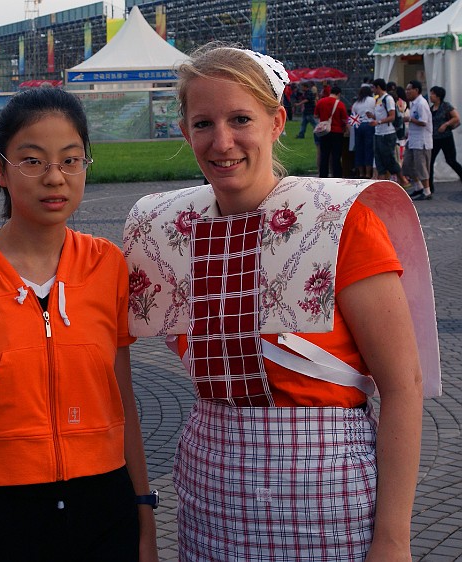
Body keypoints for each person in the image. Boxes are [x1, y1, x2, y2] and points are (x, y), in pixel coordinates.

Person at [123, 44, 437, 561]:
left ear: (276, 122)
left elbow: (403, 386)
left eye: (241, 118)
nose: (222, 141)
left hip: (329, 498)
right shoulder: (163, 230)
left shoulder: (342, 220)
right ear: (184, 132)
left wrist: (393, 539)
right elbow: (73, 280)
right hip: (210, 495)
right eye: (203, 123)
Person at [0, 88, 158, 562]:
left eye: (71, 160)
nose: (54, 178)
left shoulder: (106, 263)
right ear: (0, 170)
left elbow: (123, 398)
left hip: (106, 506)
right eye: (32, 161)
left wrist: (145, 517)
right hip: (8, 512)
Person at [402, 80, 433, 201]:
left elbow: (423, 122)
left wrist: (410, 119)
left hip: (422, 141)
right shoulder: (413, 103)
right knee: (407, 165)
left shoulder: (421, 103)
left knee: (421, 166)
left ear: (417, 90)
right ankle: (418, 187)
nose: (407, 91)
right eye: (406, 89)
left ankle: (427, 191)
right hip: (412, 139)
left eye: (409, 89)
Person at [368, 78, 403, 181]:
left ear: (378, 87)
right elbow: (381, 115)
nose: (372, 90)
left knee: (388, 158)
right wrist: (373, 117)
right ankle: (382, 181)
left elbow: (392, 116)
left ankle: (402, 179)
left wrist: (378, 122)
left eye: (373, 87)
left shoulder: (388, 99)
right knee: (379, 159)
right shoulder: (378, 99)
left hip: (387, 133)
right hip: (378, 133)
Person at [428, 85, 462, 192]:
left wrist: (446, 124)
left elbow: (456, 118)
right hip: (434, 138)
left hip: (446, 137)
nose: (431, 96)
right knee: (430, 161)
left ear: (438, 96)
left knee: (451, 160)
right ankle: (429, 187)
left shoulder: (446, 106)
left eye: (433, 94)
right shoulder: (431, 108)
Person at [314, 84, 348, 177]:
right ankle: (337, 175)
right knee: (336, 156)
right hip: (337, 132)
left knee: (324, 155)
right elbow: (344, 119)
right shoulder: (340, 104)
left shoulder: (321, 102)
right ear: (339, 94)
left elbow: (316, 115)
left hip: (324, 132)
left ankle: (323, 175)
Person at [351, 85, 376, 178]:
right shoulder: (372, 100)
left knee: (359, 149)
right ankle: (368, 173)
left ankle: (361, 172)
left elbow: (353, 117)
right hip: (369, 125)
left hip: (358, 126)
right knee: (369, 149)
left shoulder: (356, 103)